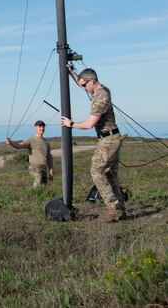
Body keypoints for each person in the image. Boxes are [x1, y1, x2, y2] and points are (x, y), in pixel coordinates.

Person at [60, 66, 128, 222]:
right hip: (109, 138)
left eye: (85, 85)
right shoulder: (96, 90)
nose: (83, 88)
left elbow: (89, 124)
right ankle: (121, 213)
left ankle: (113, 208)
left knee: (96, 171)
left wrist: (71, 124)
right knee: (110, 176)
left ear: (92, 81)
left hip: (109, 139)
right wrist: (71, 71)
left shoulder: (101, 96)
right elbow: (80, 82)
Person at [5, 120, 55, 187]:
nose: (42, 128)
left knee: (44, 186)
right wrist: (11, 142)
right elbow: (20, 145)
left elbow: (49, 157)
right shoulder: (31, 139)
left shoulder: (46, 142)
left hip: (44, 168)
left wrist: (51, 170)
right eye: (40, 126)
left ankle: (37, 196)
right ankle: (33, 193)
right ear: (35, 128)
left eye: (43, 127)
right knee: (38, 178)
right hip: (34, 167)